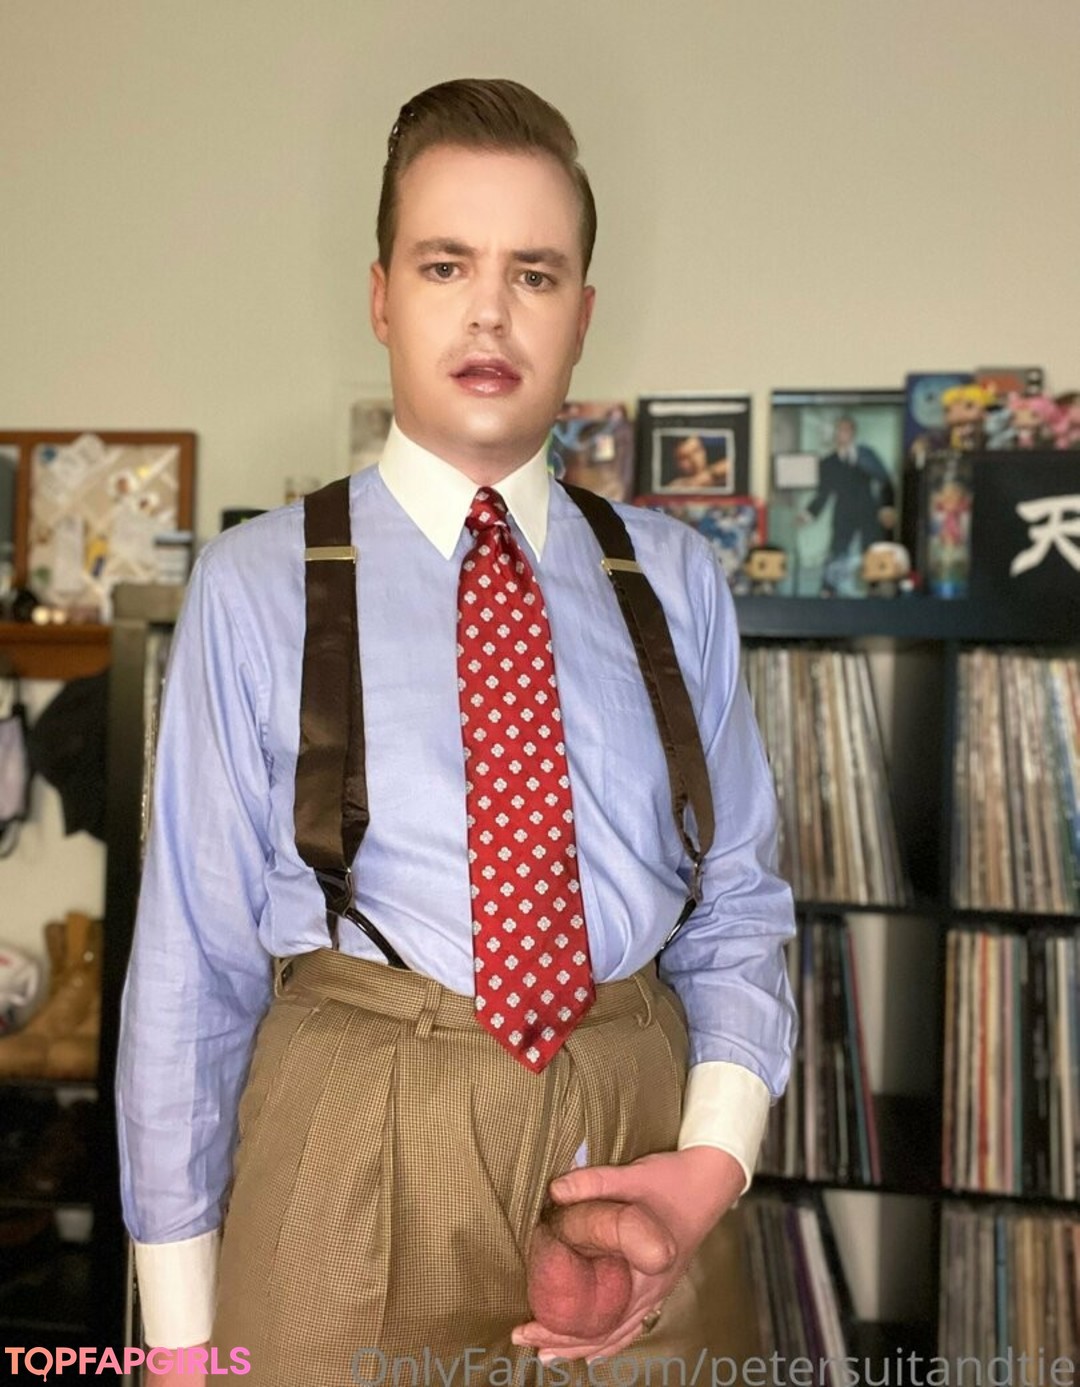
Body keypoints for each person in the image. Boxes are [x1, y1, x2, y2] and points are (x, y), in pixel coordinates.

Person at [116, 78, 796, 1385]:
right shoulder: (258, 585)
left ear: (581, 311)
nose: (490, 312)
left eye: (533, 274)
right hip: (353, 1140)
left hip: (635, 1145)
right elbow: (191, 975)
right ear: (383, 296)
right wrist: (184, 1343)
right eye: (446, 265)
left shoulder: (673, 577)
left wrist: (707, 1164)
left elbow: (738, 901)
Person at [797, 416, 896, 596]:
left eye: (846, 430)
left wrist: (887, 507)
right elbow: (823, 494)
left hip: (867, 509)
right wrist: (808, 514)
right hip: (844, 511)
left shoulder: (866, 455)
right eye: (839, 430)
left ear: (853, 432)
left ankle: (875, 588)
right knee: (838, 550)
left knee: (871, 550)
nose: (842, 434)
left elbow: (884, 479)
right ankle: (828, 590)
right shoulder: (829, 462)